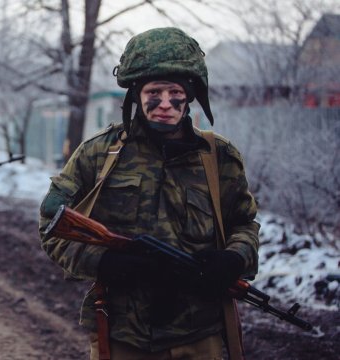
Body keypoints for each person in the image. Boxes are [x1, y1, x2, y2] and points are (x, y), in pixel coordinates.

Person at [39, 27, 260, 359]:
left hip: (199, 334)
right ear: (136, 95)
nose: (165, 105)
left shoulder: (219, 157)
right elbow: (52, 226)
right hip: (121, 333)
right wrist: (102, 261)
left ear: (191, 96)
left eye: (176, 94)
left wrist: (234, 258)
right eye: (154, 93)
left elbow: (245, 224)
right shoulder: (100, 153)